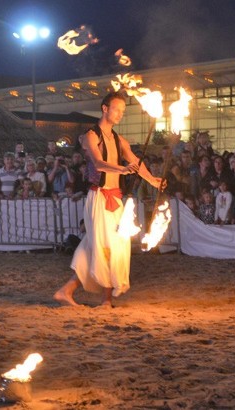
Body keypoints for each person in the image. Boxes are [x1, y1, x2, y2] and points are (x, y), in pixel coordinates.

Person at [53, 92, 164, 308]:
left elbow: (136, 162)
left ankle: (65, 291)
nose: (121, 114)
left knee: (95, 247)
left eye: (123, 111)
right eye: (117, 109)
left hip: (116, 199)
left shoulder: (119, 139)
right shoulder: (90, 136)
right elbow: (99, 163)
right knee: (107, 245)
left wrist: (153, 180)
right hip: (99, 197)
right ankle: (106, 300)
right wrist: (122, 169)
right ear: (105, 108)